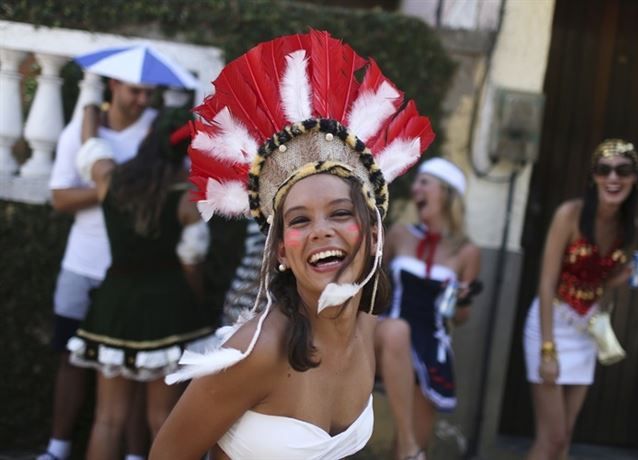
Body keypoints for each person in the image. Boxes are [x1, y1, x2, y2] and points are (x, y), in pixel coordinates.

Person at [148, 29, 435, 459]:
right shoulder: (255, 352)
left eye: (340, 213)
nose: (321, 230)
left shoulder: (367, 331)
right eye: (300, 220)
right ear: (281, 250)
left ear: (373, 234)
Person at [64, 104, 216, 459]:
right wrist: (195, 304)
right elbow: (192, 263)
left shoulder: (110, 180)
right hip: (166, 311)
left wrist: (90, 108)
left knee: (107, 419)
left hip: (114, 304)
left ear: (148, 138)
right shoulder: (186, 199)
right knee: (162, 417)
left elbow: (92, 149)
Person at [41, 79, 157, 460]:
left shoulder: (156, 132)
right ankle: (57, 450)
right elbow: (60, 197)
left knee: (137, 367)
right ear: (112, 86)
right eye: (134, 90)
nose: (142, 99)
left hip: (132, 274)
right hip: (82, 265)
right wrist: (113, 189)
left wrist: (110, 184)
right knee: (69, 358)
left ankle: (135, 454)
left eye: (148, 93)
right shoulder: (80, 128)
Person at [523, 139, 638, 460]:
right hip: (550, 325)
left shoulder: (627, 227)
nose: (613, 178)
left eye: (623, 170)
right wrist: (548, 350)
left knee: (563, 441)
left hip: (584, 330)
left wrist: (621, 278)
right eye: (604, 170)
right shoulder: (569, 215)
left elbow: (600, 285)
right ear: (593, 177)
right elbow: (546, 284)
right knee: (551, 437)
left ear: (634, 178)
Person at [376, 158, 482, 459]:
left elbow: (461, 319)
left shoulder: (466, 252)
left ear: (446, 194)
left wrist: (461, 300)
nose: (416, 188)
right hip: (388, 332)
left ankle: (408, 445)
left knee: (414, 450)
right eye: (416, 182)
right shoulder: (398, 234)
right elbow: (375, 292)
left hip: (430, 345)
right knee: (398, 331)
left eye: (425, 182)